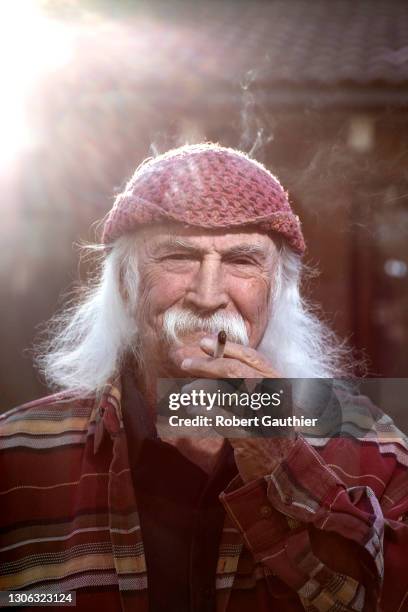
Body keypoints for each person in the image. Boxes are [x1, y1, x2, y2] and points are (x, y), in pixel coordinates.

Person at [1, 143, 408, 612]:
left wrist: (285, 466)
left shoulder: (369, 446)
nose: (208, 296)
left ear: (277, 292)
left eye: (241, 261)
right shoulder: (16, 454)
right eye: (178, 256)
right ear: (125, 284)